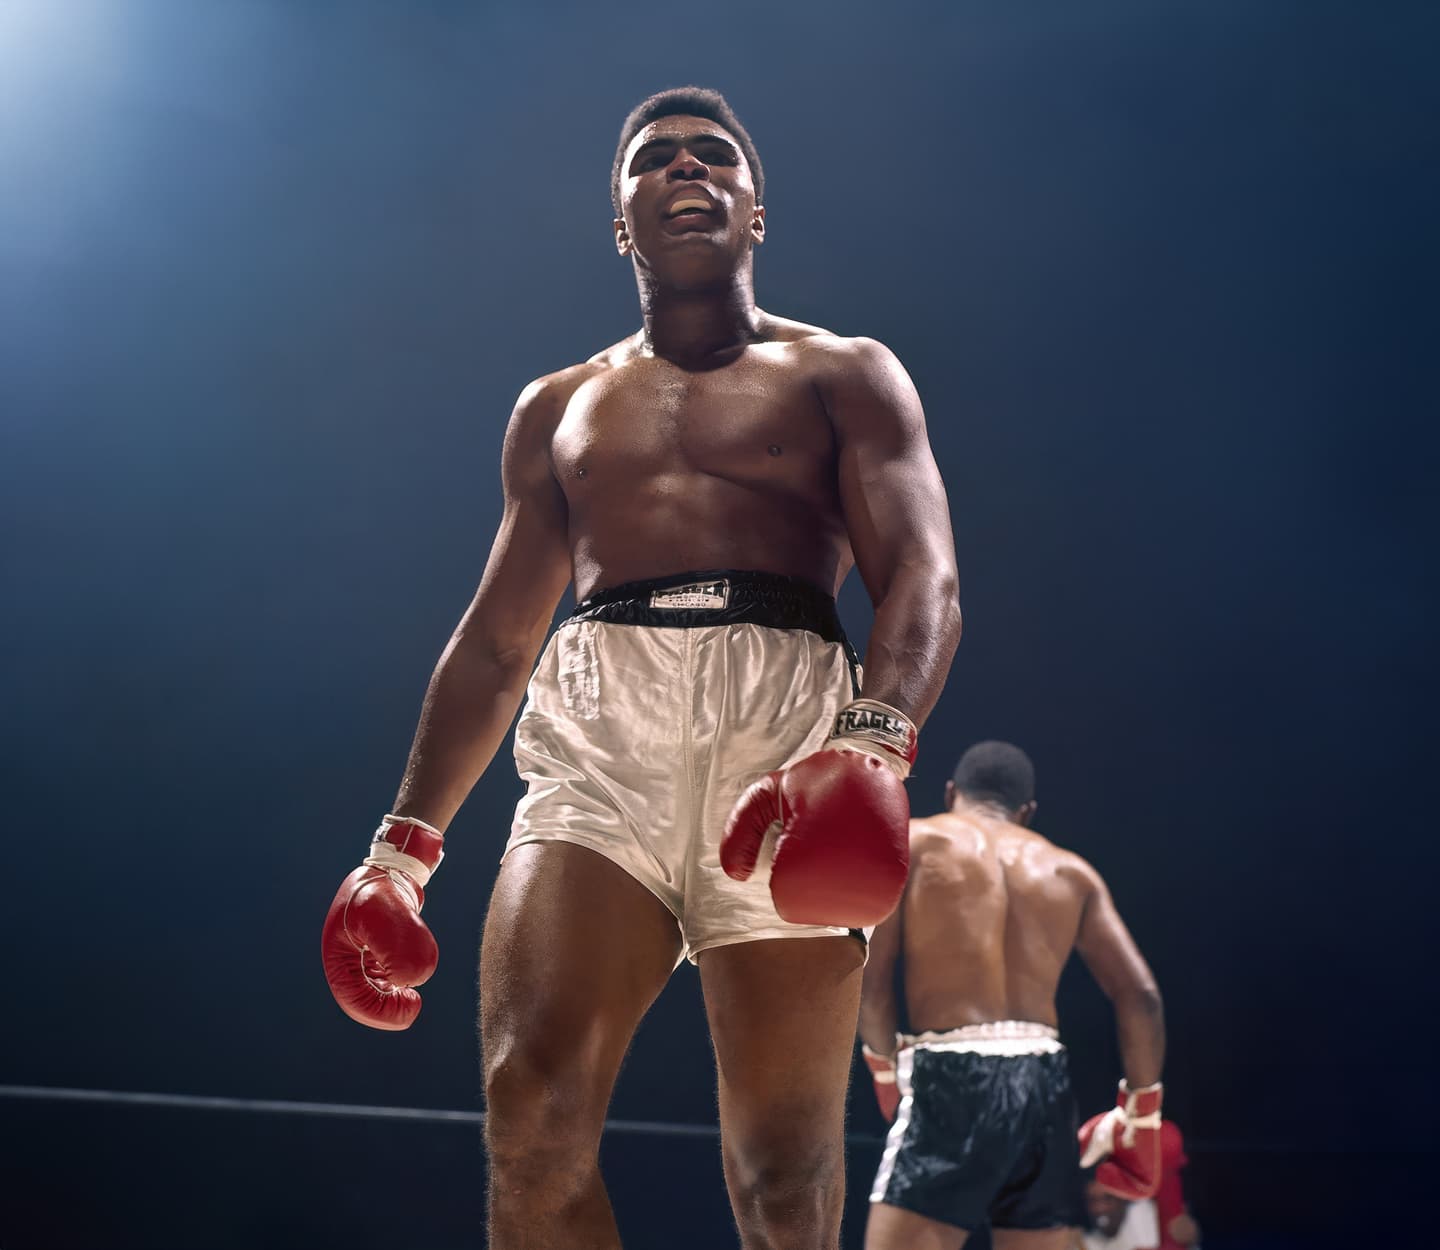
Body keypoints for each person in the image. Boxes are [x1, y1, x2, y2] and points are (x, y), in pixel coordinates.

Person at [320, 86, 961, 1250]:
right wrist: (399, 849)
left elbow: (926, 577)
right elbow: (499, 637)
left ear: (754, 206)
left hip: (789, 743)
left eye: (713, 155)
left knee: (785, 1177)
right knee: (531, 1112)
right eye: (654, 159)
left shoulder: (848, 374)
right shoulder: (559, 408)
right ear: (621, 218)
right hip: (600, 746)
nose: (685, 170)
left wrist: (875, 739)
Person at [860, 741, 1166, 1250]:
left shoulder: (914, 843)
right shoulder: (1072, 872)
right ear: (1027, 813)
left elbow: (872, 985)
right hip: (1045, 1083)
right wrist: (1142, 1115)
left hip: (952, 1073)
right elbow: (1143, 998)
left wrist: (884, 1067)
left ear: (952, 791)